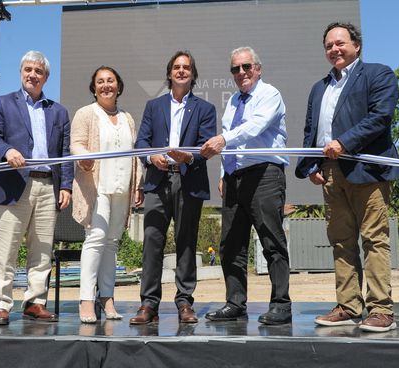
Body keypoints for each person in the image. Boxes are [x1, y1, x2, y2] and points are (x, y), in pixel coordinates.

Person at [295, 22, 399, 332]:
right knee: (341, 242)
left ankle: (381, 310)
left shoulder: (378, 74)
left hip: (367, 171)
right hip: (331, 174)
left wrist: (344, 143)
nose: (334, 49)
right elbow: (311, 130)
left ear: (357, 45)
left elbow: (380, 117)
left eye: (340, 43)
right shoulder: (320, 87)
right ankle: (349, 305)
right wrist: (311, 165)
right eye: (329, 45)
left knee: (373, 239)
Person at [200, 46, 291, 325]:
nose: (241, 73)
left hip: (264, 175)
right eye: (235, 69)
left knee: (271, 241)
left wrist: (224, 142)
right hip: (234, 179)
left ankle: (281, 305)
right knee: (230, 245)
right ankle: (235, 303)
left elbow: (254, 127)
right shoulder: (233, 102)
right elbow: (228, 138)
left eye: (246, 67)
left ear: (258, 69)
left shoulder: (269, 95)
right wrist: (222, 171)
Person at [0, 50, 73, 326]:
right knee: (5, 250)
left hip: (48, 185)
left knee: (42, 250)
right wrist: (7, 149)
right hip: (12, 185)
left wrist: (66, 185)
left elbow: (65, 152)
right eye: (28, 70)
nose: (33, 74)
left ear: (46, 77)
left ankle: (35, 302)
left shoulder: (58, 111)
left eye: (39, 71)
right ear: (21, 72)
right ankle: (0, 304)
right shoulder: (2, 103)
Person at [130, 50, 216, 325]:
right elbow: (142, 141)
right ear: (169, 73)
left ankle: (184, 302)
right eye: (176, 67)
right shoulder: (153, 106)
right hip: (158, 180)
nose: (181, 71)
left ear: (193, 74)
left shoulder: (205, 109)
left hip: (188, 179)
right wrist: (150, 156)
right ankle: (149, 304)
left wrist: (189, 157)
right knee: (152, 243)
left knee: (187, 243)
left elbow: (207, 146)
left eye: (186, 67)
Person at [70, 66, 144, 323]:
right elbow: (76, 143)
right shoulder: (86, 114)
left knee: (112, 244)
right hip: (96, 186)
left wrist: (138, 184)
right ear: (94, 87)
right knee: (96, 239)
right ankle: (87, 300)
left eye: (110, 81)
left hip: (122, 187)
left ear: (118, 86)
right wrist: (85, 159)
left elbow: (134, 155)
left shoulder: (127, 118)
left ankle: (107, 298)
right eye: (100, 82)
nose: (105, 85)